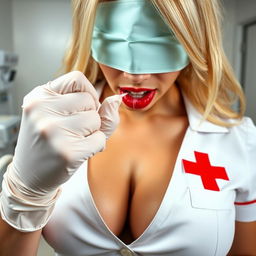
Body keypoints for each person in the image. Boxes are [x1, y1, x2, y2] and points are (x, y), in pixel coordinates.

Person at [0, 0, 256, 255]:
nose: (135, 75)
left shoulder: (239, 142)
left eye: (161, 45)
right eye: (114, 43)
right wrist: (24, 194)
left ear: (195, 40)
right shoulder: (54, 127)